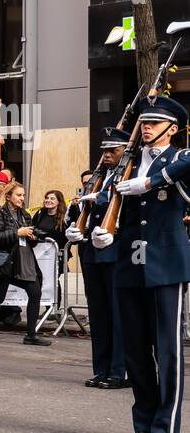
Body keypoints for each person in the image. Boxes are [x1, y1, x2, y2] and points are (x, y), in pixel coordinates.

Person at [95, 95, 190, 433]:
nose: (146, 127)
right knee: (135, 349)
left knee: (167, 349)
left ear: (173, 129)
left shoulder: (178, 159)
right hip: (129, 264)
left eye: (153, 123)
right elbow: (107, 201)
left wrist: (149, 183)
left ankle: (165, 427)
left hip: (166, 265)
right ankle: (144, 422)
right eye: (144, 122)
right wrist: (99, 232)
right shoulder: (126, 163)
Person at [65, 127, 127, 389]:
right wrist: (74, 222)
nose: (108, 154)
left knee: (118, 314)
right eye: (105, 150)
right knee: (99, 314)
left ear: (126, 151)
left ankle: (119, 371)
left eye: (113, 150)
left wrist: (98, 197)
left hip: (116, 251)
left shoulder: (130, 173)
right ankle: (102, 369)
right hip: (92, 251)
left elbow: (123, 199)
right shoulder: (100, 176)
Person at [0, 180, 50, 346]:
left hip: (23, 262)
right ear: (8, 197)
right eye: (19, 195)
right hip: (5, 262)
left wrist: (31, 238)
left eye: (23, 195)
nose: (22, 198)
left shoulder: (24, 215)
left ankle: (31, 335)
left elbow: (27, 238)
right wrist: (17, 232)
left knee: (35, 293)